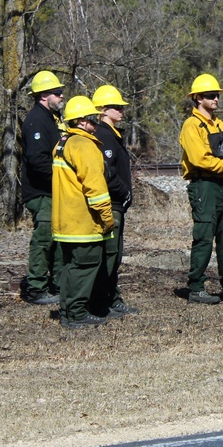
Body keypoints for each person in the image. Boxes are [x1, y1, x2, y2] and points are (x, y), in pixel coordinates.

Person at [179, 73, 223, 305]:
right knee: (204, 236)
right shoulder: (191, 125)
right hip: (202, 186)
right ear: (198, 98)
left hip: (219, 185)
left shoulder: (218, 123)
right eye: (211, 95)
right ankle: (196, 288)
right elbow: (199, 159)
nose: (216, 98)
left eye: (217, 95)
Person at [52, 96, 115, 329]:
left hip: (65, 220)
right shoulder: (84, 146)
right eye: (92, 119)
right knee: (85, 265)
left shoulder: (62, 143)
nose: (96, 123)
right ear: (80, 121)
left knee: (71, 265)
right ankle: (77, 312)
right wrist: (107, 218)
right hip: (83, 221)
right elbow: (95, 188)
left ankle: (68, 310)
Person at [91, 84, 139, 319]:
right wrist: (123, 192)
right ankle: (100, 302)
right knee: (109, 254)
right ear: (102, 109)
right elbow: (106, 171)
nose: (121, 111)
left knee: (115, 254)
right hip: (111, 204)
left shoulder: (113, 134)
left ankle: (111, 297)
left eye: (121, 107)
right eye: (116, 107)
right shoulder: (103, 135)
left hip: (118, 204)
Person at [20, 70, 65, 305]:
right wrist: (61, 180)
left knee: (57, 240)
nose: (62, 96)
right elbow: (37, 161)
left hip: (52, 192)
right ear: (43, 96)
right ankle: (36, 289)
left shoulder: (50, 119)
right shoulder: (36, 120)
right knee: (44, 238)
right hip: (41, 192)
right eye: (58, 93)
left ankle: (57, 286)